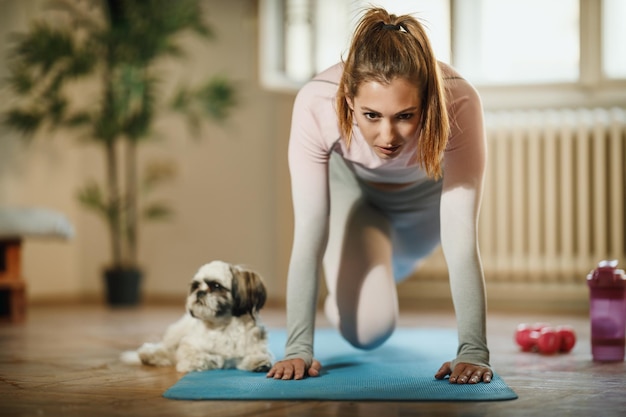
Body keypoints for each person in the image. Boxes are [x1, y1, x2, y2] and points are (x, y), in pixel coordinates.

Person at [266, 7, 492, 384]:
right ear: (349, 99)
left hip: (422, 210)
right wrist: (298, 348)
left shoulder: (458, 101)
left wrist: (474, 351)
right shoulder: (316, 103)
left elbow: (462, 239)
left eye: (405, 116)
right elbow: (309, 232)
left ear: (427, 102)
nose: (387, 137)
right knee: (368, 331)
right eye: (371, 115)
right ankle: (348, 285)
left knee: (399, 267)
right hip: (357, 198)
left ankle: (378, 268)